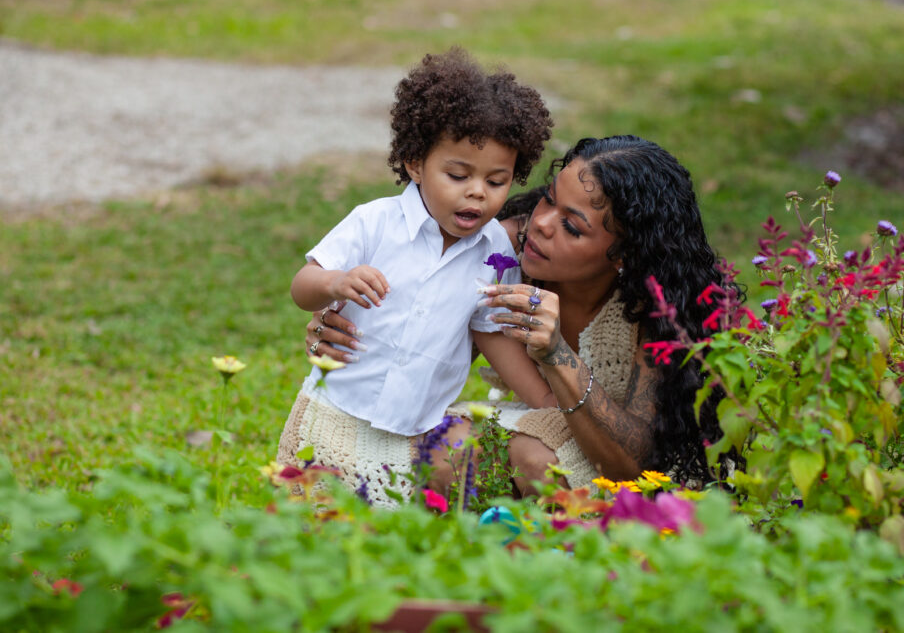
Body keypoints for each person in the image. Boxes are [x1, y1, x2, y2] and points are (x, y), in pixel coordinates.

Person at [309, 135, 733, 495]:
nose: (542, 224)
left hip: (631, 471)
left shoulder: (657, 309)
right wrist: (334, 319)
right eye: (548, 200)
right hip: (534, 429)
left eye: (572, 227)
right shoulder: (497, 248)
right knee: (440, 449)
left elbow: (630, 465)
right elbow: (406, 305)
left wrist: (556, 353)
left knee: (541, 463)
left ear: (623, 254)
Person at [277, 48, 555, 505]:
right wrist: (335, 283)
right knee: (306, 527)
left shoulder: (496, 251)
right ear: (414, 163)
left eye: (496, 180)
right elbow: (302, 286)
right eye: (458, 173)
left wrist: (546, 405)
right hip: (332, 414)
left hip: (413, 434)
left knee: (383, 539)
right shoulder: (375, 223)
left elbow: (492, 336)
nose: (476, 192)